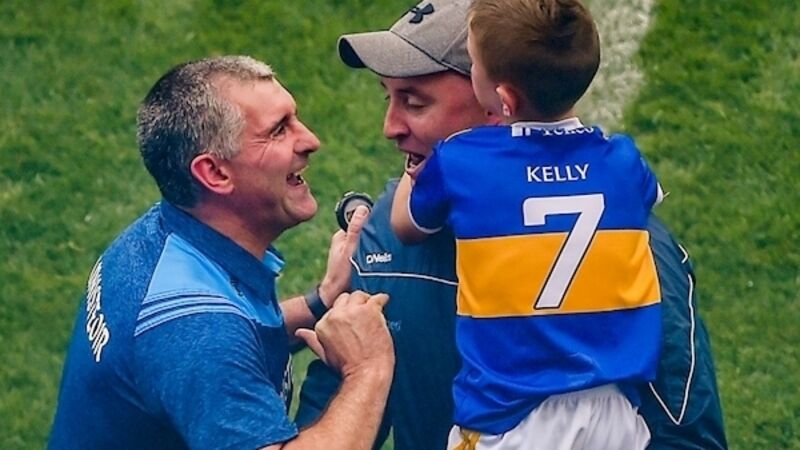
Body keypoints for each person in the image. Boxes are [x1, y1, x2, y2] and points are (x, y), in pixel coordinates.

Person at [296, 1, 727, 449]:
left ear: (497, 106)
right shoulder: (381, 239)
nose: (390, 127)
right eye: (388, 97)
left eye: (414, 102)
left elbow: (686, 435)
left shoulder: (642, 250)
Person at [48, 55, 395, 450]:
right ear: (214, 173)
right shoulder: (196, 332)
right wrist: (368, 368)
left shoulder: (161, 239)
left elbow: (233, 335)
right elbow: (209, 343)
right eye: (279, 130)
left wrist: (322, 300)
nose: (310, 140)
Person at [388, 0, 661, 447]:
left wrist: (422, 160)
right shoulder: (624, 161)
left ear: (505, 99)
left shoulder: (461, 162)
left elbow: (406, 223)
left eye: (473, 64)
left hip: (510, 414)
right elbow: (646, 199)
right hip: (615, 415)